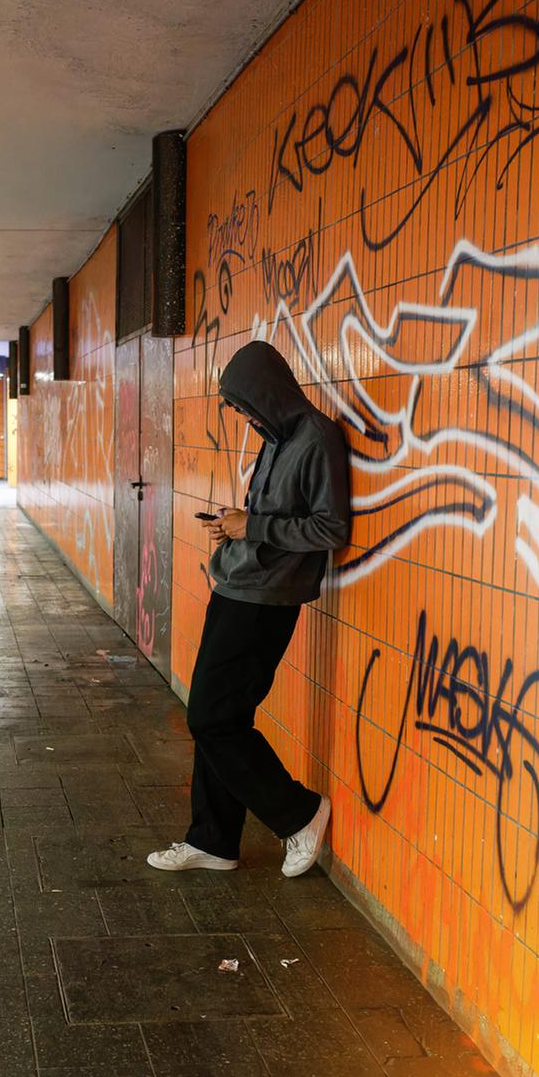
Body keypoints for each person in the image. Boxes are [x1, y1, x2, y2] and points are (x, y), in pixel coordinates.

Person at [149, 339, 353, 879]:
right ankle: (213, 840)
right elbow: (270, 517)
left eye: (244, 404)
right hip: (238, 586)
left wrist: (252, 526)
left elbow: (330, 529)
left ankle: (299, 813)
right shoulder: (277, 437)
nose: (242, 416)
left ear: (268, 392)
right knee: (222, 717)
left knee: (210, 719)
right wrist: (234, 523)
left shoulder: (316, 440)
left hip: (268, 600)